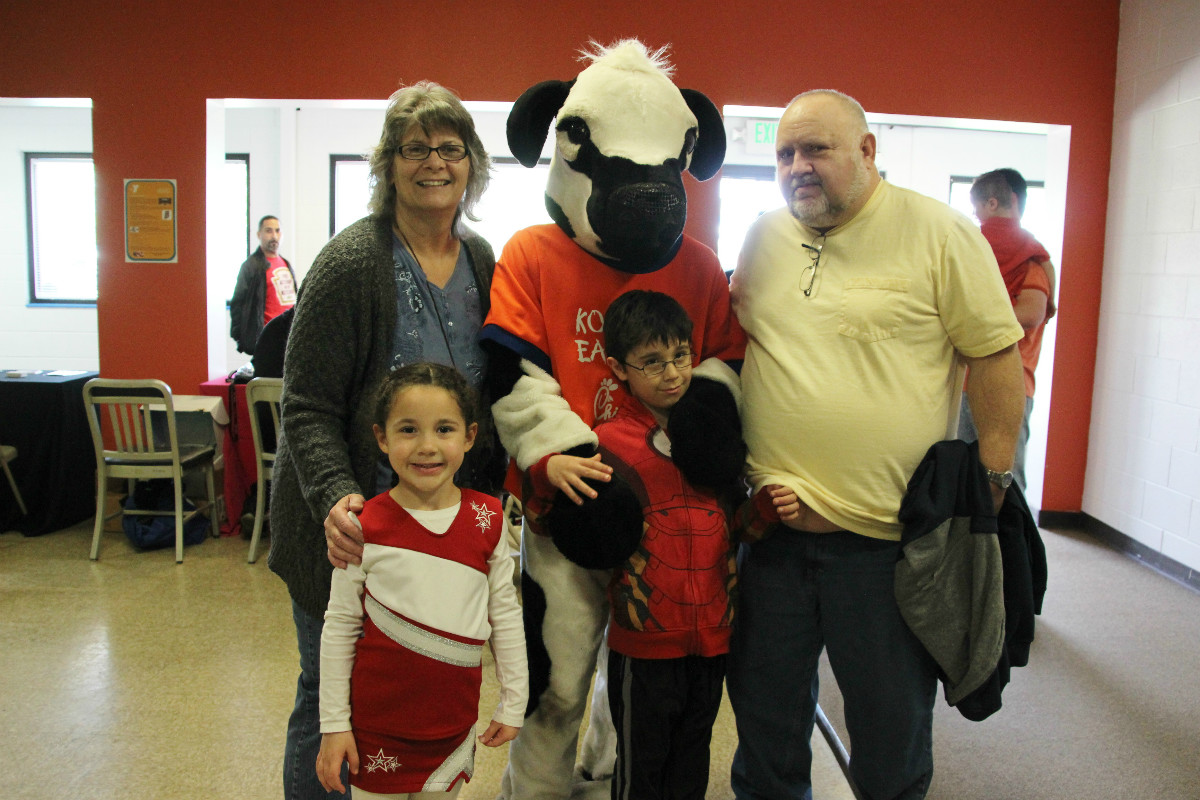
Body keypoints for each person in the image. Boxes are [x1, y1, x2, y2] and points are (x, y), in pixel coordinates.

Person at [727, 90, 1026, 800]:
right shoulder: (764, 236)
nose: (798, 166)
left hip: (886, 549)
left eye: (817, 149)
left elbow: (993, 354)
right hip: (769, 540)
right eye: (785, 154)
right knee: (764, 728)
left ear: (866, 151)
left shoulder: (940, 232)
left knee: (890, 739)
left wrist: (992, 474)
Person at [270, 81, 502, 800]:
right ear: (388, 163)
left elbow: (487, 403)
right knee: (329, 697)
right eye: (414, 148)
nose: (433, 163)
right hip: (348, 533)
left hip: (435, 534)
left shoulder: (483, 261)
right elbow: (305, 405)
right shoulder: (351, 264)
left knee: (414, 694)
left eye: (449, 148)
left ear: (471, 163)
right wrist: (339, 499)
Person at [521, 290, 789, 800]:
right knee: (641, 766)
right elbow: (546, 520)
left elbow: (737, 529)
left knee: (693, 757)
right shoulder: (607, 443)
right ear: (618, 368)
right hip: (643, 646)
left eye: (681, 356)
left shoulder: (715, 438)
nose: (672, 374)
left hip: (712, 640)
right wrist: (545, 472)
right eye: (652, 362)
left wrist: (766, 510)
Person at [315, 363, 527, 798]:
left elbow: (505, 616)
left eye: (444, 429)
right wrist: (334, 724)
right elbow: (339, 628)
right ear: (382, 438)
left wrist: (514, 700)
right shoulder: (362, 525)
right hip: (376, 733)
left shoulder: (487, 519)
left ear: (469, 437)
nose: (427, 446)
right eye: (408, 429)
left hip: (452, 730)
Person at [958, 169, 1058, 491]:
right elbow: (1031, 314)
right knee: (1002, 485)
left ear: (991, 203)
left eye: (976, 209)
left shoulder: (965, 248)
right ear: (1016, 201)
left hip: (962, 378)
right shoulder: (1035, 259)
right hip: (1010, 381)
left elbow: (1030, 314)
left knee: (957, 478)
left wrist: (966, 319)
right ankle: (1004, 543)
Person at [230, 215, 297, 355]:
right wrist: (240, 336)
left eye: (278, 231)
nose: (274, 236)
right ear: (259, 234)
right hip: (267, 338)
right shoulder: (251, 266)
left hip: (289, 336)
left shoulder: (286, 264)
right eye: (269, 231)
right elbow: (238, 303)